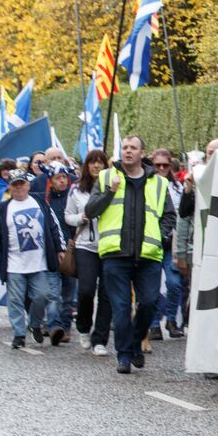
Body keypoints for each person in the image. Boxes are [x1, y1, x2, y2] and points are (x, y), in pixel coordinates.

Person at [83, 135, 176, 374]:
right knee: (122, 308)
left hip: (148, 255)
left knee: (149, 303)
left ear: (142, 153)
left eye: (133, 148)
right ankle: (124, 355)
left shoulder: (158, 182)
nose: (128, 151)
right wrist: (109, 192)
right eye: (124, 148)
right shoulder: (106, 178)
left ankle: (135, 343)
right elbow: (91, 210)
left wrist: (162, 236)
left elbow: (169, 216)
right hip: (116, 255)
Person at [0, 168, 65, 350]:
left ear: (28, 185)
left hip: (39, 262)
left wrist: (60, 248)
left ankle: (34, 323)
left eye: (22, 184)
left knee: (42, 296)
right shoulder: (3, 208)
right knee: (15, 300)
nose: (19, 187)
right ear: (10, 187)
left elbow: (54, 226)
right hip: (14, 264)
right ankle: (19, 334)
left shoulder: (40, 203)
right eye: (15, 185)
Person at [66, 149, 111, 354]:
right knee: (86, 290)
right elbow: (68, 215)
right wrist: (80, 219)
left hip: (109, 245)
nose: (96, 166)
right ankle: (83, 327)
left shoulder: (112, 188)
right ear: (87, 165)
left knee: (107, 293)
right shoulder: (76, 189)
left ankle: (100, 338)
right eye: (92, 162)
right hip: (86, 246)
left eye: (100, 162)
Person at [149, 149, 187, 341]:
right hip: (151, 242)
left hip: (171, 243)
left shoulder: (177, 186)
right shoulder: (147, 184)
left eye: (165, 165)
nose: (162, 168)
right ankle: (154, 324)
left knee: (173, 284)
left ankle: (172, 320)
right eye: (158, 165)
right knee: (153, 285)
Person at [43, 162, 76, 343]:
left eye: (64, 177)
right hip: (53, 253)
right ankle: (54, 325)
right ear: (51, 181)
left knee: (69, 295)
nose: (62, 181)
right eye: (58, 178)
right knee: (53, 292)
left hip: (71, 253)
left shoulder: (72, 198)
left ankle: (66, 326)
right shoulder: (46, 201)